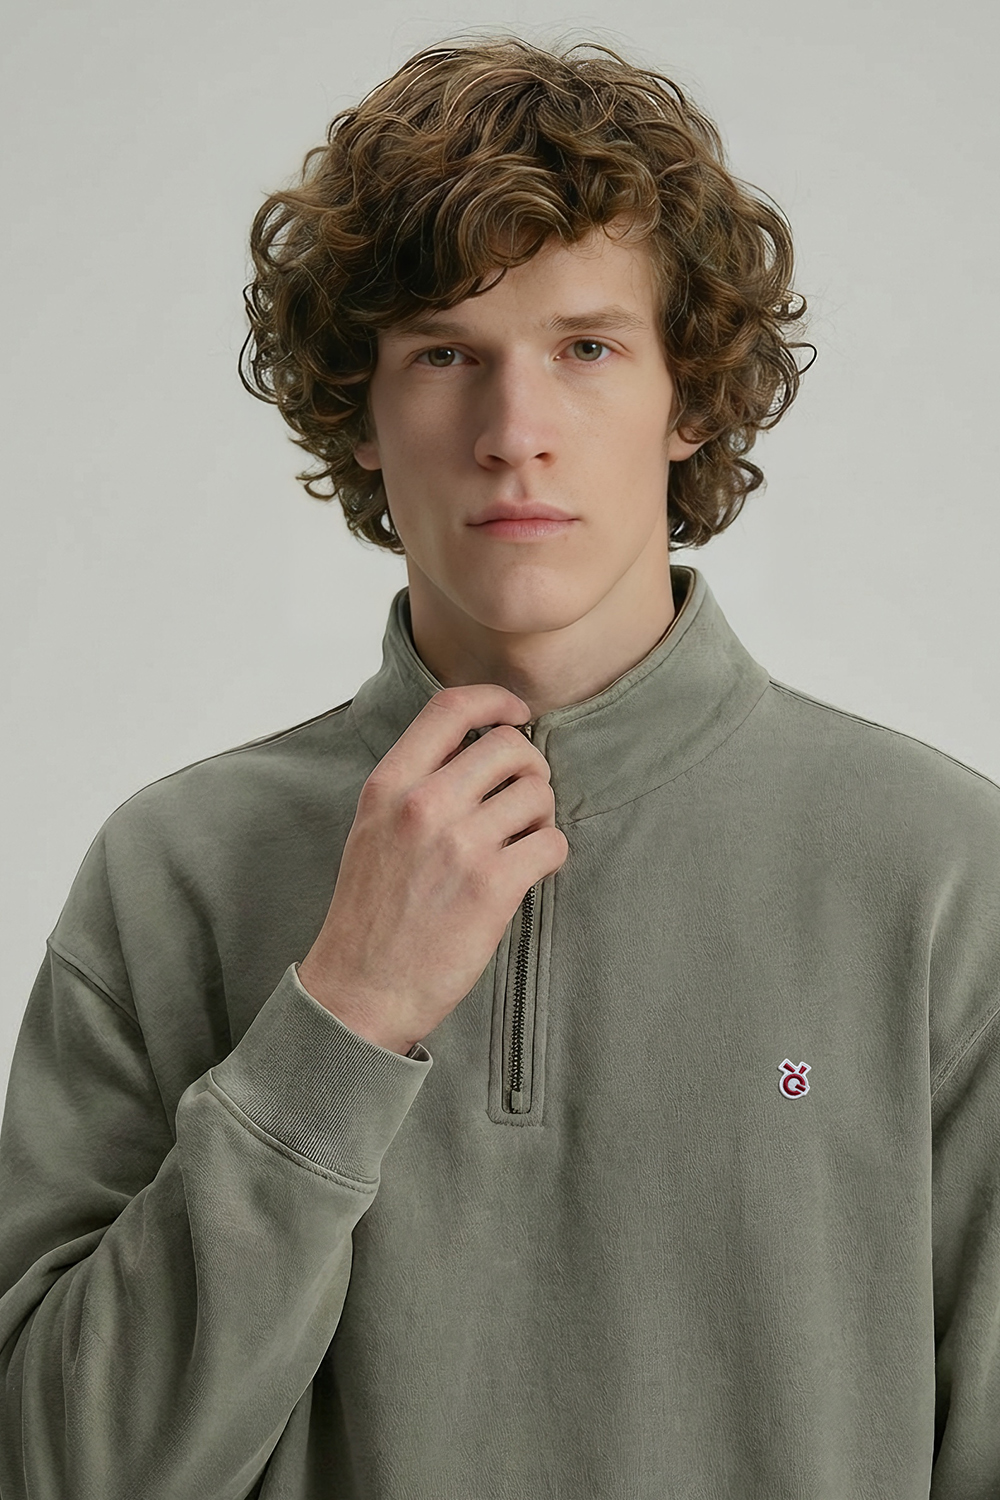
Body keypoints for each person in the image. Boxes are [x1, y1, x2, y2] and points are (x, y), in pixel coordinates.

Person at [1, 33, 997, 1500]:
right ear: (362, 410)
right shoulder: (176, 871)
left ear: (689, 396)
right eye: (444, 355)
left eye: (586, 349)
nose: (514, 434)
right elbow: (54, 1468)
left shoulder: (944, 874)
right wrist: (343, 1015)